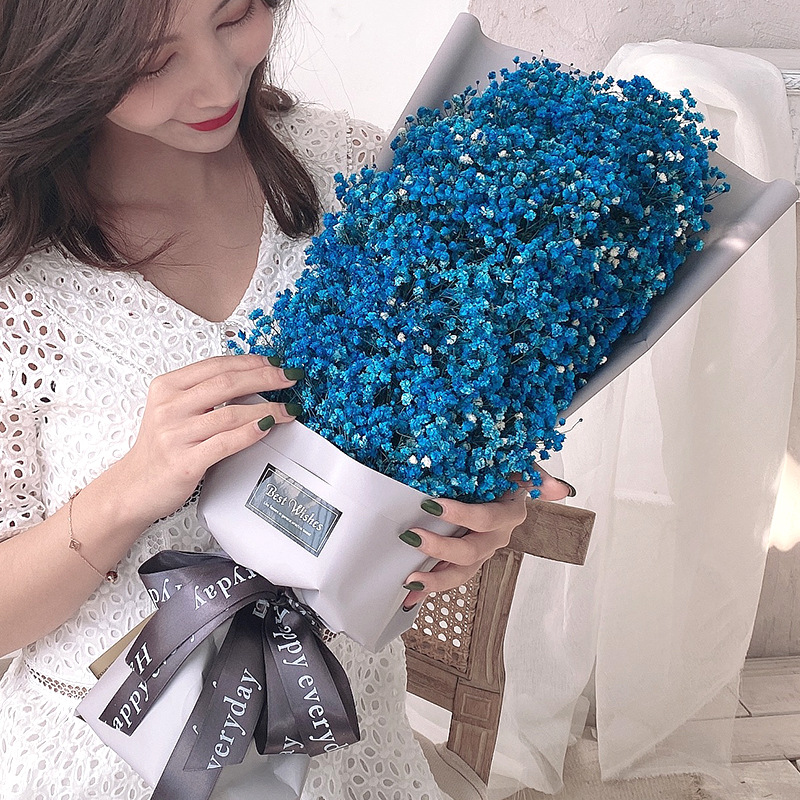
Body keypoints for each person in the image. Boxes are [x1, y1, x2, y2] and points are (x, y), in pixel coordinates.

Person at [0, 0, 572, 797]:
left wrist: (466, 518)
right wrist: (127, 492)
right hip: (99, 763)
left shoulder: (358, 171)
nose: (215, 84)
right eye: (151, 61)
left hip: (350, 753)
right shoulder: (19, 279)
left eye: (234, 14)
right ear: (55, 53)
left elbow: (422, 471)